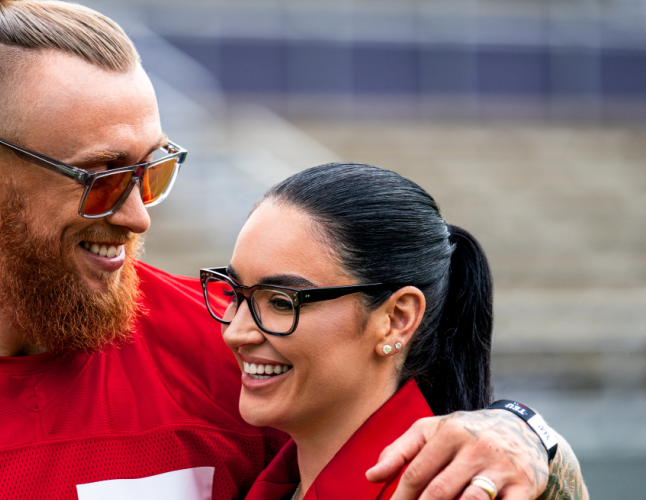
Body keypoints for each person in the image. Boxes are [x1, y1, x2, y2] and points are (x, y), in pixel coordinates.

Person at [0, 1, 584, 499]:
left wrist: (526, 436)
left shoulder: (237, 357)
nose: (138, 216)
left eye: (155, 172)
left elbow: (416, 443)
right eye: (102, 177)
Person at [200, 163, 589, 500]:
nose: (237, 331)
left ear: (396, 319)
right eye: (235, 293)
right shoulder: (269, 478)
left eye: (282, 302)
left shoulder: (459, 489)